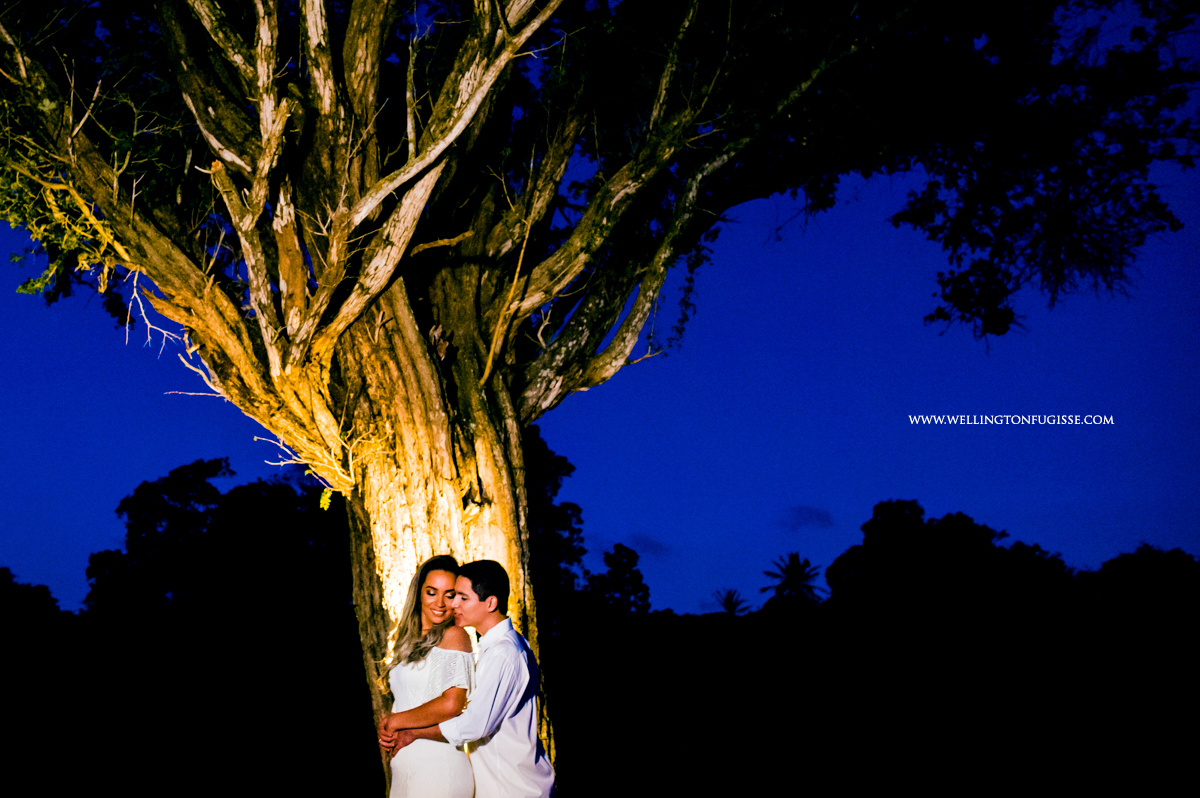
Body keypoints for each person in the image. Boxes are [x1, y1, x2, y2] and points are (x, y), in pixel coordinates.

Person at [384, 560, 555, 798]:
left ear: (491, 603)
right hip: (498, 785)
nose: (453, 604)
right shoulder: (496, 647)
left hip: (514, 788)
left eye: (462, 598)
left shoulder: (504, 653)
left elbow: (474, 725)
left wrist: (411, 731)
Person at [376, 555, 475, 798]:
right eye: (432, 592)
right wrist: (387, 724)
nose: (440, 603)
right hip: (406, 769)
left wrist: (397, 721)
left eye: (449, 595)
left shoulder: (454, 635)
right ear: (418, 593)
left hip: (439, 769)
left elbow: (452, 703)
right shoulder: (406, 643)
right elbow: (410, 700)